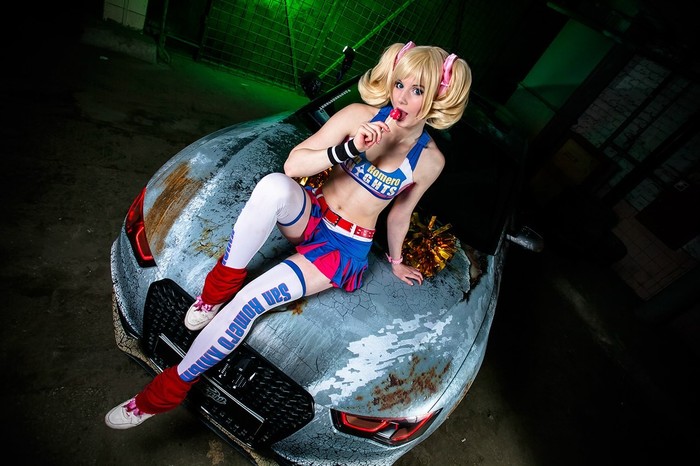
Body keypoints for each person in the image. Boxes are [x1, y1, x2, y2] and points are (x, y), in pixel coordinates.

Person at [105, 41, 472, 429]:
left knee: (249, 301)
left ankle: (160, 395)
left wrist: (396, 261)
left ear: (437, 97)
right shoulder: (358, 117)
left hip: (341, 247)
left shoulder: (429, 160)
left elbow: (400, 213)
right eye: (400, 84)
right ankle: (214, 292)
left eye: (417, 90)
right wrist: (349, 147)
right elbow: (294, 164)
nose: (403, 97)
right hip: (312, 214)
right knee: (273, 186)